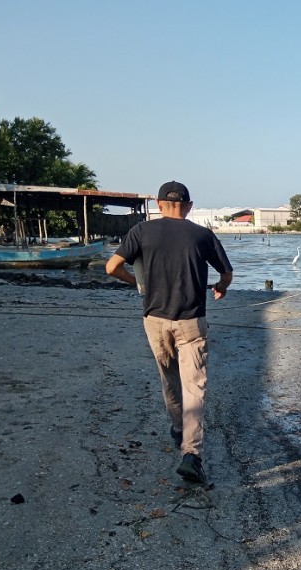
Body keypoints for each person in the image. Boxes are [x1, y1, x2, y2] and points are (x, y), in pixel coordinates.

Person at [105, 181, 233, 484]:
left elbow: (111, 267)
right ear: (188, 206)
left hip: (155, 319)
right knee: (195, 387)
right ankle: (191, 454)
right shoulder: (202, 234)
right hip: (191, 321)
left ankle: (178, 430)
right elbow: (226, 273)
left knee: (170, 380)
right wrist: (221, 288)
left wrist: (140, 286)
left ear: (160, 204)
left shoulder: (141, 231)